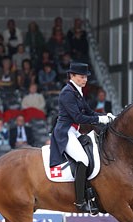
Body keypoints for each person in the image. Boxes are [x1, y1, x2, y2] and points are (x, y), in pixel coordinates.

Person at [49, 62, 115, 213]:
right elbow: (78, 117)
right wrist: (99, 120)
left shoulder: (77, 92)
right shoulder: (67, 92)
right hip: (65, 132)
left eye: (86, 77)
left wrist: (106, 116)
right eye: (82, 77)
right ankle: (80, 201)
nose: (85, 79)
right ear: (72, 76)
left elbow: (90, 112)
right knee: (83, 159)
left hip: (75, 131)